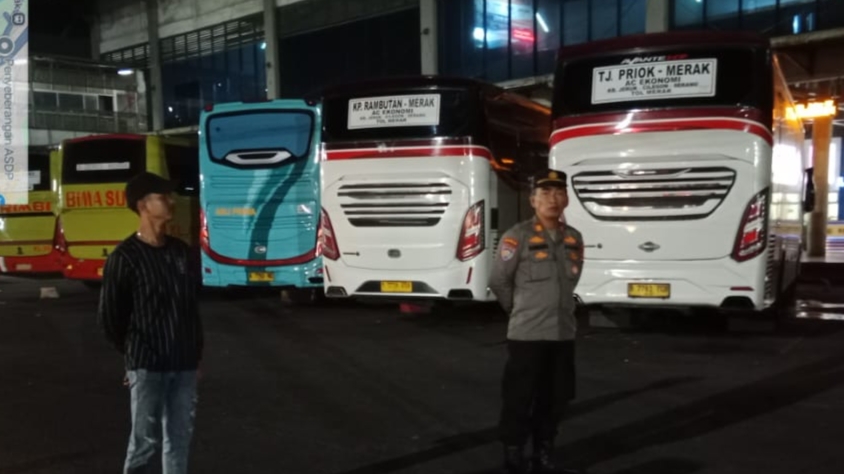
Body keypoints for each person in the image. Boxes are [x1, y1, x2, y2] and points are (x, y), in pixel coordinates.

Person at [98, 172, 204, 474]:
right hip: (147, 365)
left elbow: (190, 308)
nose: (171, 201)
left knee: (179, 439)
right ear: (143, 205)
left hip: (184, 363)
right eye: (163, 197)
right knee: (144, 442)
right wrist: (132, 356)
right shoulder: (125, 257)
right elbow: (110, 316)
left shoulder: (180, 252)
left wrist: (197, 356)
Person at [489, 169, 584, 474]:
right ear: (532, 200)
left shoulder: (574, 238)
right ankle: (513, 454)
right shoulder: (517, 236)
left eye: (558, 193)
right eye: (545, 193)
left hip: (562, 334)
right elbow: (499, 280)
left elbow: (572, 280)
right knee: (519, 398)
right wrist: (519, 310)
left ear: (566, 199)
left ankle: (543, 453)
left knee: (556, 399)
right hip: (527, 335)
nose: (552, 199)